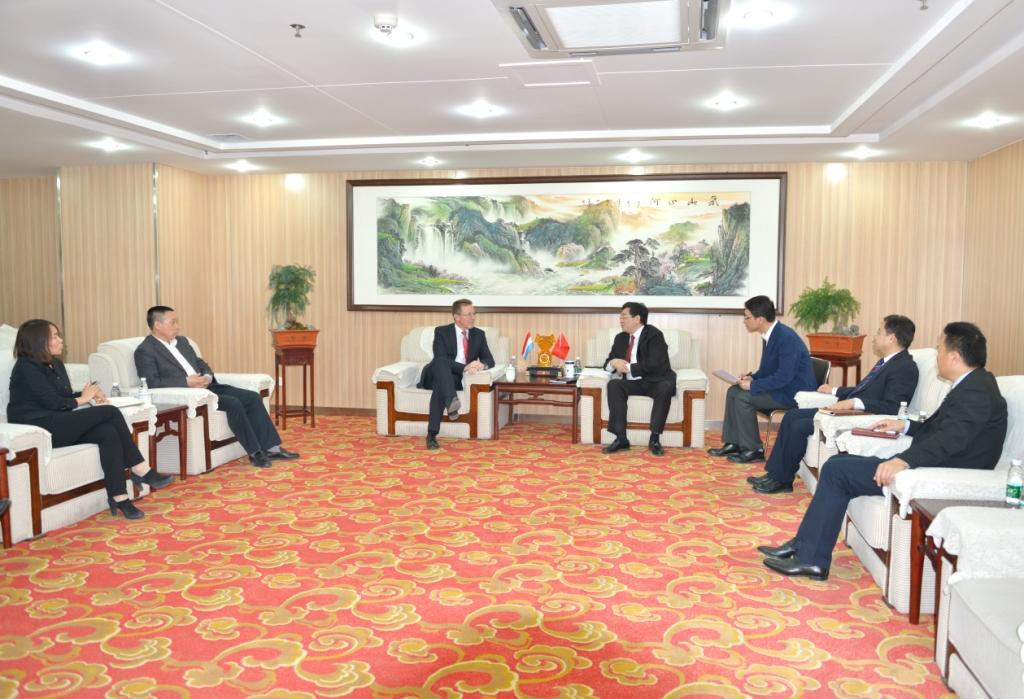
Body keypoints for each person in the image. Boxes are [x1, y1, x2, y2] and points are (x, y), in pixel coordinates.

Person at [759, 322, 1007, 580]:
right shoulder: (973, 384)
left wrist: (903, 461)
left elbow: (949, 441)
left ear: (954, 357)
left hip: (937, 475)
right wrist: (905, 425)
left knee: (837, 471)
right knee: (839, 465)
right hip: (930, 464)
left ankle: (811, 559)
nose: (937, 355)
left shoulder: (976, 392)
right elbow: (940, 429)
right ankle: (804, 546)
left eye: (940, 349)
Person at [7, 319, 173, 520]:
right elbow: (53, 403)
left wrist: (89, 394)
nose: (61, 340)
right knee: (110, 412)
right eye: (55, 336)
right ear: (38, 341)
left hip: (58, 420)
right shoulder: (26, 367)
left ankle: (119, 497)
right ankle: (140, 468)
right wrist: (83, 399)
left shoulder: (55, 364)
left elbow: (63, 396)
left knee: (107, 432)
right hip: (38, 428)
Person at [750, 315, 920, 494]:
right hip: (852, 412)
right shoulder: (887, 362)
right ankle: (775, 475)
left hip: (864, 418)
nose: (875, 336)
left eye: (879, 332)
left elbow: (892, 407)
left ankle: (782, 480)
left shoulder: (905, 367)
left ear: (891, 338)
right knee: (791, 415)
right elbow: (864, 390)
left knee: (798, 425)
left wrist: (854, 403)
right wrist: (834, 390)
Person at [134, 306, 299, 468]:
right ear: (157, 325)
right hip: (191, 395)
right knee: (233, 403)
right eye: (173, 322)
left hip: (209, 387)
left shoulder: (182, 342)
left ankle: (272, 448)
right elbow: (151, 382)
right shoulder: (145, 350)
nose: (178, 326)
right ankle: (255, 452)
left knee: (252, 397)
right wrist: (186, 381)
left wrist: (207, 376)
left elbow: (200, 363)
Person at [708, 296, 817, 463]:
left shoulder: (786, 338)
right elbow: (768, 370)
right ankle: (734, 443)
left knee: (743, 397)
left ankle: (754, 449)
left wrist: (753, 385)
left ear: (760, 319)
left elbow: (784, 376)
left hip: (792, 393)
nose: (745, 321)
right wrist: (752, 378)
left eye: (747, 317)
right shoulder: (770, 335)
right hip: (782, 387)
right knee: (733, 391)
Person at [600, 301, 677, 457]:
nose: (621, 320)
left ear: (637, 319)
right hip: (631, 383)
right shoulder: (621, 338)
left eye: (624, 317)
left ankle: (655, 438)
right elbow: (608, 363)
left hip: (655, 381)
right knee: (614, 385)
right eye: (620, 317)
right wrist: (613, 363)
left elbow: (655, 364)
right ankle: (621, 438)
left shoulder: (654, 335)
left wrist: (627, 368)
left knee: (665, 388)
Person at [418, 299, 494, 450]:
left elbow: (489, 360)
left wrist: (481, 365)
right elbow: (440, 357)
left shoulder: (479, 334)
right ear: (456, 317)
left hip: (453, 379)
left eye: (474, 314)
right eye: (468, 314)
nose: (473, 317)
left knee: (441, 385)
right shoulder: (441, 332)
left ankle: (432, 434)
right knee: (441, 362)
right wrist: (465, 367)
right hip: (433, 374)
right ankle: (451, 399)